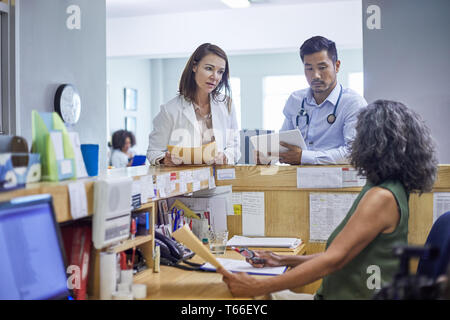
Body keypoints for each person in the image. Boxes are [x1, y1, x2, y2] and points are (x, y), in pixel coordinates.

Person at [219, 100, 438, 299]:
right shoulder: (389, 188)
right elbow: (342, 255)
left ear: (374, 144)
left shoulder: (381, 197)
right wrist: (283, 260)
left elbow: (334, 260)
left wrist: (258, 287)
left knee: (254, 298)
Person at [271, 36, 367, 165]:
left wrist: (304, 157)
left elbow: (353, 153)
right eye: (309, 68)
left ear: (336, 66)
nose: (315, 75)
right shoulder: (296, 100)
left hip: (337, 182)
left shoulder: (353, 103)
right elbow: (284, 144)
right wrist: (268, 156)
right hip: (296, 181)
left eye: (322, 67)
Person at [146, 43, 240, 166]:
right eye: (209, 68)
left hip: (220, 181)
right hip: (186, 181)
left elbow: (235, 146)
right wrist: (164, 159)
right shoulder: (170, 110)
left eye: (220, 71)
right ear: (194, 66)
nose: (215, 77)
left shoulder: (227, 104)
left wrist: (226, 157)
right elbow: (154, 151)